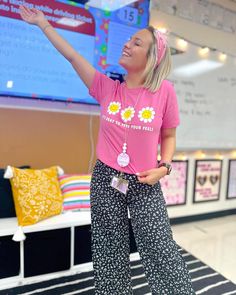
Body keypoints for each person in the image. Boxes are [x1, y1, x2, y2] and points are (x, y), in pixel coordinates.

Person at [20, 5, 195, 295]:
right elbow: (73, 56)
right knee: (109, 250)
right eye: (128, 40)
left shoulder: (165, 92)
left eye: (136, 42)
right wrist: (43, 24)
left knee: (160, 248)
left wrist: (164, 167)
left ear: (153, 57)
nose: (127, 44)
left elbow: (169, 135)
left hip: (145, 180)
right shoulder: (107, 88)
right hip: (105, 179)